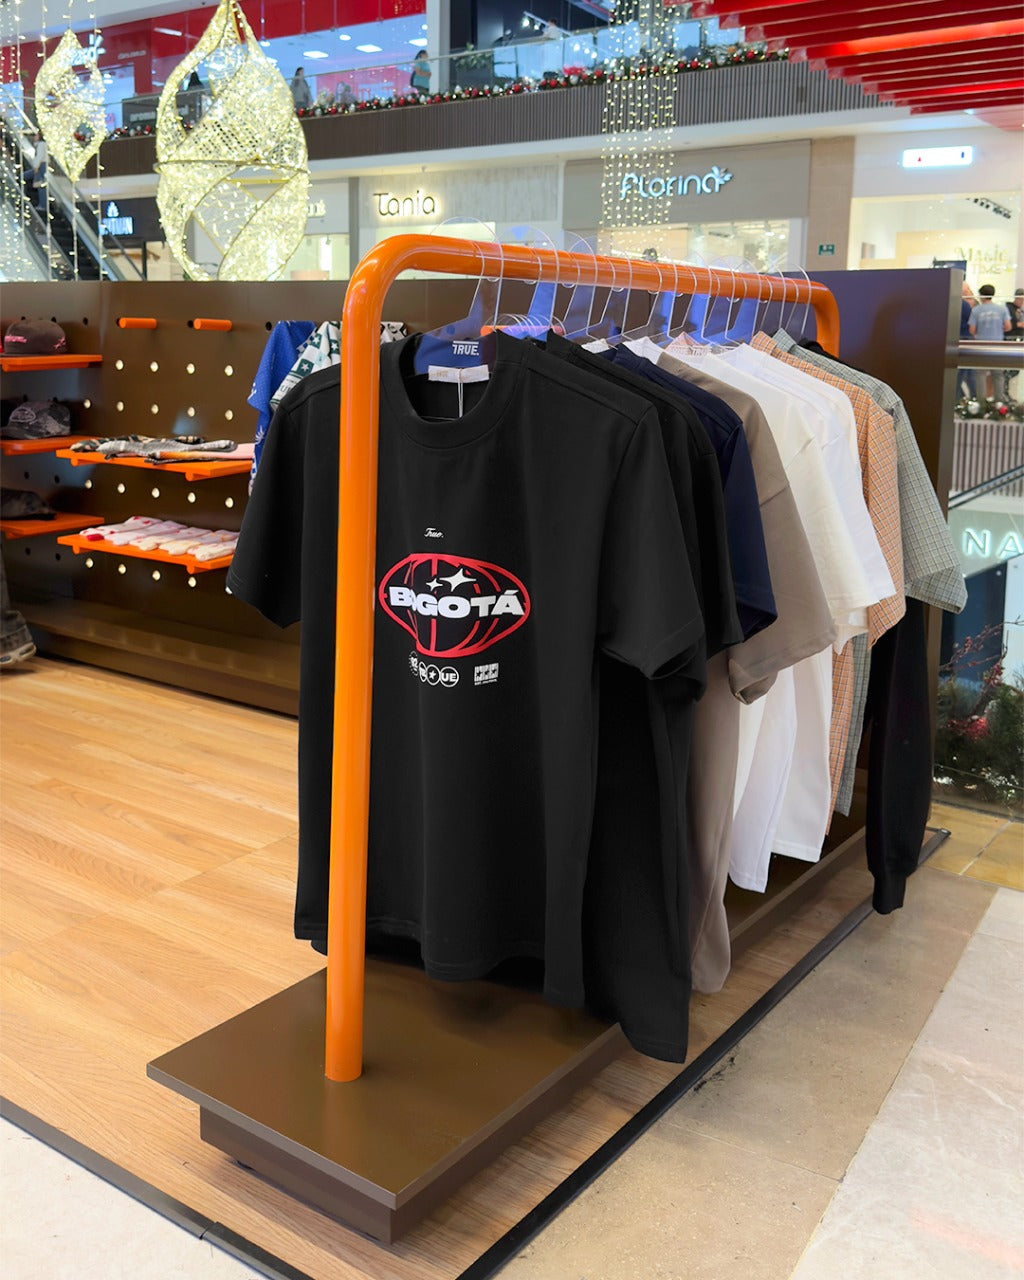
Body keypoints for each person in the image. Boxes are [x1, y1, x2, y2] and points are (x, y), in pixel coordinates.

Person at [968, 283, 1011, 400]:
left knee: (980, 375)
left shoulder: (976, 310)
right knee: (998, 375)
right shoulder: (1001, 309)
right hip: (998, 346)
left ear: (981, 295)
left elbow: (972, 330)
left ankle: (982, 403)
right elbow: (1008, 326)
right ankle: (999, 402)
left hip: (981, 346)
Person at [31, 133, 47, 211]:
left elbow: (40, 156)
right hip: (41, 165)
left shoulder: (41, 144)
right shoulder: (40, 144)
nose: (34, 137)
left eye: (36, 135)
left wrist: (36, 166)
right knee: (41, 185)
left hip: (40, 165)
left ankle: (43, 205)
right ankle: (43, 205)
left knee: (41, 185)